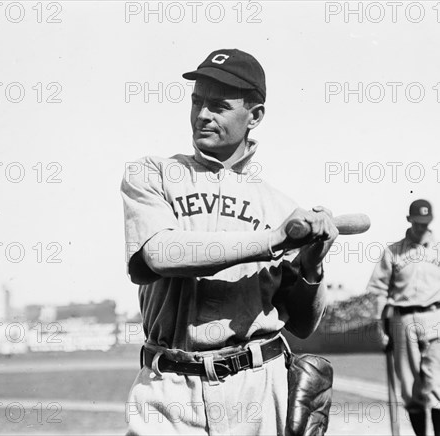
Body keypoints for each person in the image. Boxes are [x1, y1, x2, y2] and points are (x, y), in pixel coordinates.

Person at [120, 48, 338, 435]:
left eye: (219, 106)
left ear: (254, 116)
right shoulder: (154, 174)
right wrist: (274, 239)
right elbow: (161, 255)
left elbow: (302, 323)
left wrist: (312, 265)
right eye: (197, 102)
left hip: (254, 385)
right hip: (169, 385)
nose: (203, 114)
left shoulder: (280, 206)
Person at [366, 199, 440, 436]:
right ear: (409, 220)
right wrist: (380, 328)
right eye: (418, 222)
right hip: (404, 320)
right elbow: (379, 293)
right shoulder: (392, 252)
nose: (422, 227)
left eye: (426, 222)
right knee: (412, 390)